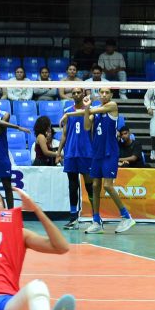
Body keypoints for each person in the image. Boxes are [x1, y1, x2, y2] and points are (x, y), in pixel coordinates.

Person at [64, 87, 136, 234]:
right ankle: (96, 221)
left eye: (106, 93)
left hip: (110, 152)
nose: (104, 95)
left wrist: (68, 114)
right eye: (101, 92)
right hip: (97, 153)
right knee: (95, 185)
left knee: (108, 186)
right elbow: (86, 126)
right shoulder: (94, 110)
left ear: (111, 95)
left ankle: (126, 216)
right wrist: (87, 107)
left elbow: (90, 111)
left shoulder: (112, 106)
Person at [57, 87, 94, 230]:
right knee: (72, 186)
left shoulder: (90, 109)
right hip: (71, 152)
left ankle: (95, 217)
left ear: (83, 94)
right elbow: (65, 134)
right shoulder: (67, 111)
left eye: (79, 92)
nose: (77, 94)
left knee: (89, 186)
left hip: (86, 152)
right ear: (72, 95)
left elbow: (89, 128)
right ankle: (73, 218)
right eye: (74, 93)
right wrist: (59, 151)